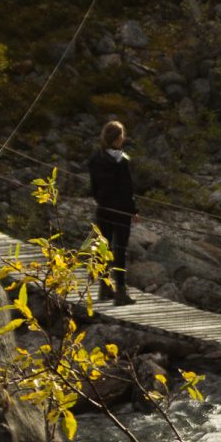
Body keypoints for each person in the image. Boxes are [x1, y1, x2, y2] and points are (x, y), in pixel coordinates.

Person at [88, 119, 136, 305]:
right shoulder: (121, 160)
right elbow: (127, 188)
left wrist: (101, 201)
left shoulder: (95, 159)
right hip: (122, 210)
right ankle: (121, 292)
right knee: (120, 250)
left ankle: (104, 288)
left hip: (103, 208)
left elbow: (93, 187)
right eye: (122, 134)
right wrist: (133, 210)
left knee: (103, 249)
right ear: (118, 138)